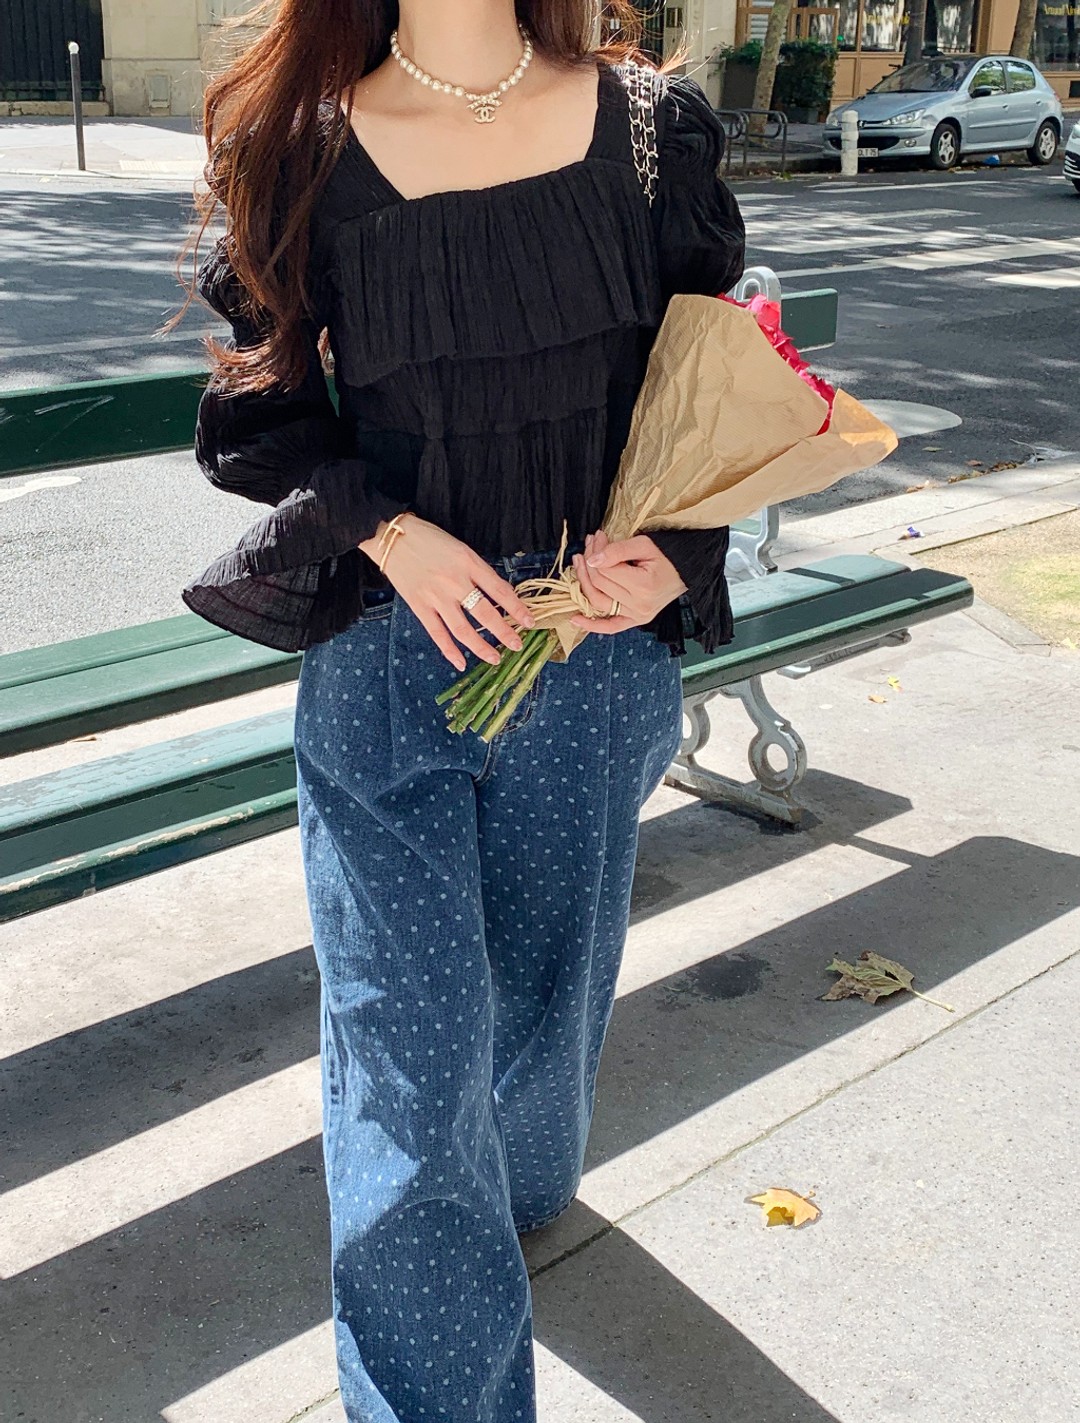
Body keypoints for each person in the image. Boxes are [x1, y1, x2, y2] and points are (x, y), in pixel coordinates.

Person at [181, 1, 744, 1418]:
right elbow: (257, 417)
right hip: (385, 663)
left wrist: (674, 551)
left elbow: (712, 390)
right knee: (411, 1068)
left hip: (589, 664)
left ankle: (525, 1194)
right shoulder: (297, 148)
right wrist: (390, 533)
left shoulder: (651, 132)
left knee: (550, 1006)